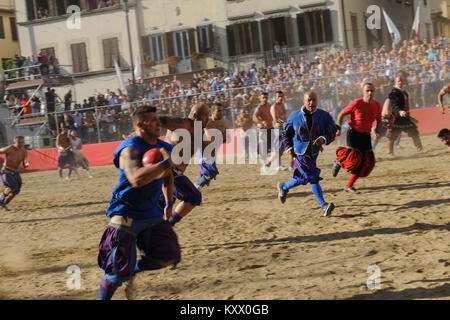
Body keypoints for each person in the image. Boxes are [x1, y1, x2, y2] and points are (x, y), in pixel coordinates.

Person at [97, 104, 180, 300]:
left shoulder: (165, 148)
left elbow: (168, 178)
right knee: (116, 275)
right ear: (141, 125)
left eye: (158, 119)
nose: (159, 123)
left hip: (151, 213)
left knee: (169, 255)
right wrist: (166, 163)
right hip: (125, 212)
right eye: (153, 120)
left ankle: (133, 270)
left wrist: (168, 204)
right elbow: (136, 179)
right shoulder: (130, 149)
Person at [277, 91, 337, 217]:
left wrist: (324, 139)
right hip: (300, 153)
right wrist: (289, 149)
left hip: (314, 152)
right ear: (304, 101)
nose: (311, 103)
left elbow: (332, 130)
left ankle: (284, 187)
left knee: (301, 179)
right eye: (309, 100)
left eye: (314, 100)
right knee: (312, 177)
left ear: (317, 101)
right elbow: (285, 133)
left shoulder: (324, 116)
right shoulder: (294, 116)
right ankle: (324, 205)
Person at [159, 103, 210, 226]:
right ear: (195, 115)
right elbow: (159, 120)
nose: (208, 119)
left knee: (158, 208)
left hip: (175, 173)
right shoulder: (183, 123)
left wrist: (208, 168)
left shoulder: (200, 133)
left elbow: (205, 152)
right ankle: (167, 227)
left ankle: (161, 229)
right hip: (167, 171)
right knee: (193, 197)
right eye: (205, 116)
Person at [331, 83, 382, 193]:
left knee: (368, 163)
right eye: (367, 90)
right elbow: (341, 114)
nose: (370, 93)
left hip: (366, 135)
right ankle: (339, 160)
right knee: (354, 161)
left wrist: (377, 131)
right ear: (362, 92)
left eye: (372, 91)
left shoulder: (377, 105)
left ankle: (348, 186)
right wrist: (338, 128)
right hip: (353, 133)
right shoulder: (356, 103)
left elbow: (379, 120)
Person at [386, 75, 423, 156]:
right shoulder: (394, 93)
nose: (400, 82)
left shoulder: (404, 92)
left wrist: (405, 112)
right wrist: (399, 111)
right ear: (395, 82)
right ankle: (390, 152)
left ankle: (419, 148)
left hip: (405, 116)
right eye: (399, 81)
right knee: (392, 135)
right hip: (397, 118)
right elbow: (393, 105)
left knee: (414, 132)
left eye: (401, 80)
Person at [196, 103, 229, 188]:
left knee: (209, 176)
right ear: (213, 111)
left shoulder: (224, 123)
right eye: (219, 111)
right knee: (211, 171)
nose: (221, 113)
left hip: (213, 153)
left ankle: (196, 188)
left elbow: (227, 138)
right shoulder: (206, 122)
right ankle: (194, 190)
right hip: (203, 151)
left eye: (222, 110)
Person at [0, 136, 29, 210]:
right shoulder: (9, 148)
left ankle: (4, 203)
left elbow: (25, 162)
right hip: (6, 171)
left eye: (22, 142)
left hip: (16, 172)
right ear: (14, 142)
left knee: (16, 190)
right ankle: (0, 199)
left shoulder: (24, 151)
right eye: (19, 142)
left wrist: (26, 164)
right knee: (11, 187)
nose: (21, 144)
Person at [252, 92, 275, 173]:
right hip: (263, 130)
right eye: (263, 97)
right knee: (263, 148)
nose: (265, 99)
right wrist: (260, 122)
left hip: (271, 129)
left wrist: (281, 123)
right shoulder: (259, 107)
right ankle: (265, 165)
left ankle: (277, 164)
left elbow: (276, 117)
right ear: (260, 98)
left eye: (266, 97)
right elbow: (254, 117)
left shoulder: (270, 106)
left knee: (274, 148)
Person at [268, 90, 288, 171]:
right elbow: (276, 119)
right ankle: (276, 164)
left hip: (282, 128)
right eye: (278, 96)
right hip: (277, 129)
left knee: (281, 146)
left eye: (281, 96)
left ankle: (272, 163)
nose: (280, 98)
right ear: (275, 97)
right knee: (279, 147)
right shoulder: (274, 107)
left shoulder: (282, 105)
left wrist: (285, 123)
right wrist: (284, 123)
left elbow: (284, 116)